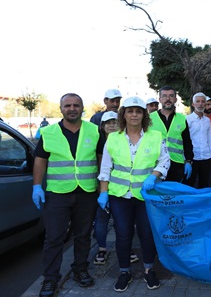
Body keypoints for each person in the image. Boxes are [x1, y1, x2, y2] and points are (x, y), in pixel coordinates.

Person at [32, 93, 104, 297]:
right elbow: (40, 160)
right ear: (61, 108)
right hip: (58, 193)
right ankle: (50, 279)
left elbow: (100, 159)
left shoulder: (94, 130)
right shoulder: (49, 132)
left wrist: (102, 186)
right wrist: (37, 186)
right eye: (68, 105)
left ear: (83, 108)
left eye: (76, 105)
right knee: (54, 237)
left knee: (82, 235)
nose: (72, 108)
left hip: (87, 191)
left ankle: (80, 269)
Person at [97, 96, 170, 292]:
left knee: (147, 233)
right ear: (124, 114)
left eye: (138, 111)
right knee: (123, 234)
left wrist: (153, 176)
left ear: (144, 115)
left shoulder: (155, 136)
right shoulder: (113, 138)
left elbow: (165, 161)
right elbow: (106, 168)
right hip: (119, 195)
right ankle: (124, 272)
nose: (134, 114)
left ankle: (148, 270)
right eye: (130, 111)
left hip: (146, 195)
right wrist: (103, 193)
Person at [92, 111, 139, 265]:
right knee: (101, 221)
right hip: (102, 190)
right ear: (102, 126)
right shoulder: (96, 144)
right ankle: (102, 249)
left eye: (115, 122)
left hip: (122, 191)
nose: (112, 125)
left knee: (124, 223)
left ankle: (127, 249)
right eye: (108, 123)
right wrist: (101, 189)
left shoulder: (127, 141)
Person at [149, 86, 194, 183]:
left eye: (171, 96)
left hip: (176, 164)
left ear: (175, 99)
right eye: (164, 96)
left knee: (174, 196)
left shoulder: (182, 119)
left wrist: (189, 161)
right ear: (160, 99)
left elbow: (187, 142)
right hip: (156, 163)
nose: (168, 99)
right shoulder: (149, 119)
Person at [185, 92, 211, 189]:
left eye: (203, 102)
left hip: (205, 157)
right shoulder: (188, 119)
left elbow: (209, 139)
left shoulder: (207, 120)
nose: (200, 104)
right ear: (193, 104)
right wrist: (186, 159)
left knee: (204, 185)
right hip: (193, 158)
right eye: (197, 101)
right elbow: (185, 140)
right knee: (189, 184)